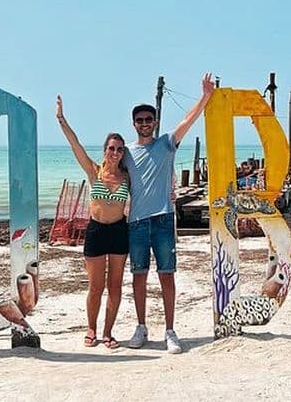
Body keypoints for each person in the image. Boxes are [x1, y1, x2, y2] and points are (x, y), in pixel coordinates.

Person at [123, 73, 215, 354]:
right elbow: (107, 175)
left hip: (163, 219)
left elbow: (188, 120)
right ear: (134, 123)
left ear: (155, 122)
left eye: (148, 120)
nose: (144, 124)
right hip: (136, 222)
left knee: (167, 275)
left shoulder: (166, 144)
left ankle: (170, 331)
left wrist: (205, 96)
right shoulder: (126, 152)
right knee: (139, 276)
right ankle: (141, 326)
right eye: (140, 120)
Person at [56, 95, 129, 349]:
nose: (115, 153)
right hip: (96, 231)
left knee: (115, 287)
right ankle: (91, 328)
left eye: (120, 149)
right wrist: (61, 119)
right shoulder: (94, 171)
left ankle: (108, 332)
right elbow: (75, 144)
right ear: (105, 150)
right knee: (96, 287)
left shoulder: (127, 177)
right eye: (112, 148)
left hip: (119, 231)